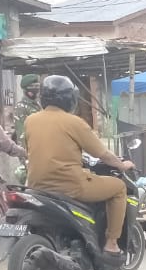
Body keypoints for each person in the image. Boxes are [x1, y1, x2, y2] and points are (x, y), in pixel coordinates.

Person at [23, 76, 135, 257]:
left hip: (36, 187)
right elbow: (103, 154)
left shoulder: (30, 120)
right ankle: (112, 243)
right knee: (119, 188)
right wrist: (122, 165)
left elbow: (30, 150)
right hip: (70, 186)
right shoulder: (74, 122)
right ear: (69, 98)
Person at [13, 73, 42, 142]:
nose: (36, 89)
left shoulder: (38, 105)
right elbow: (21, 134)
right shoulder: (20, 108)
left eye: (37, 86)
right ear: (25, 89)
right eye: (32, 87)